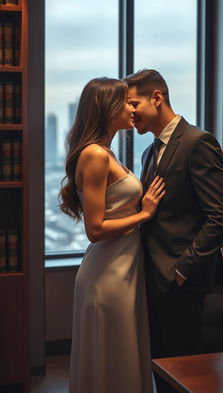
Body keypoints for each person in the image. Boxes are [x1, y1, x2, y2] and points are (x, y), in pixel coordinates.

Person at [125, 69, 223, 393]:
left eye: (135, 104)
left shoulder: (197, 142)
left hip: (180, 284)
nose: (131, 114)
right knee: (161, 370)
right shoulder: (149, 152)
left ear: (157, 97)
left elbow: (222, 217)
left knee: (185, 374)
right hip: (152, 282)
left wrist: (183, 269)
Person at [59, 77, 165, 393]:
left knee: (121, 358)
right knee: (114, 359)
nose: (132, 108)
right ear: (107, 109)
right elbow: (95, 230)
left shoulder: (106, 151)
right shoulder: (95, 155)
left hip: (122, 269)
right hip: (108, 274)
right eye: (125, 102)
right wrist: (144, 215)